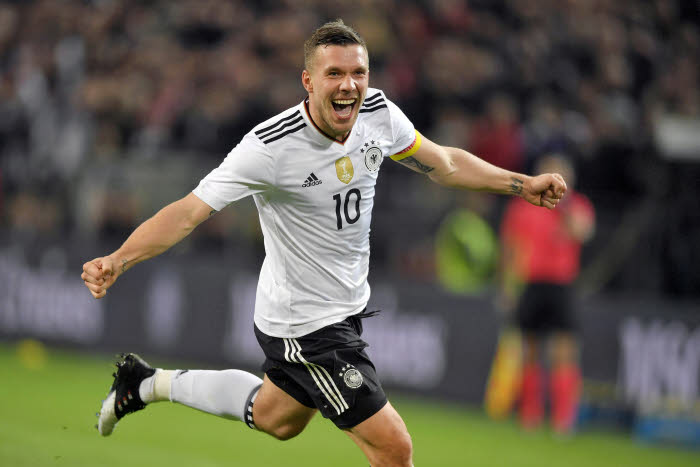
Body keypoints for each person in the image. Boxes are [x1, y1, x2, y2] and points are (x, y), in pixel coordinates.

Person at [81, 20, 566, 466]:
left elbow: (446, 164)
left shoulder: (378, 113)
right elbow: (188, 212)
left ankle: (146, 383)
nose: (349, 85)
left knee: (277, 418)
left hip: (344, 308)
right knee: (394, 448)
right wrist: (119, 259)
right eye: (334, 73)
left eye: (358, 73)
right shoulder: (269, 147)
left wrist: (522, 184)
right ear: (308, 82)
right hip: (305, 324)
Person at [499, 153, 594, 434]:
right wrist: (507, 287)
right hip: (531, 282)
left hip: (561, 285)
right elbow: (510, 248)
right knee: (529, 351)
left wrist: (564, 206)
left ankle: (563, 420)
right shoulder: (522, 206)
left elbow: (582, 232)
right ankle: (530, 415)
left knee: (564, 353)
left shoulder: (577, 206)